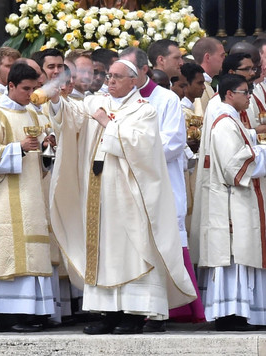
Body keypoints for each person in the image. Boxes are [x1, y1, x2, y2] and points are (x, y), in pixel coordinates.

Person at [49, 59, 196, 335]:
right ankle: (108, 312)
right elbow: (71, 119)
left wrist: (107, 123)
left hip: (130, 195)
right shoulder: (97, 102)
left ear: (134, 81)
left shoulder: (144, 111)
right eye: (109, 75)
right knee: (103, 252)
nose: (111, 81)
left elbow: (143, 148)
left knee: (132, 252)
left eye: (117, 77)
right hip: (98, 193)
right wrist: (57, 101)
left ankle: (135, 313)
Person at [120, 48, 205, 330]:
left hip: (161, 184)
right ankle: (131, 310)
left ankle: (164, 310)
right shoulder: (118, 99)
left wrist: (131, 150)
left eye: (129, 71)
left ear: (144, 70)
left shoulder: (166, 99)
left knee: (162, 245)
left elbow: (173, 143)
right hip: (127, 186)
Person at [0, 62, 54, 332]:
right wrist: (18, 148)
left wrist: (46, 147)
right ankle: (5, 315)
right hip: (5, 196)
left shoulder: (32, 115)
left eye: (34, 89)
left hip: (30, 193)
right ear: (12, 86)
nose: (30, 94)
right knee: (9, 251)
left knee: (30, 250)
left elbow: (40, 159)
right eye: (25, 89)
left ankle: (29, 312)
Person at [192, 74, 266, 331]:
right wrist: (265, 151)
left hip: (240, 200)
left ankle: (246, 312)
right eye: (244, 92)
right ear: (229, 94)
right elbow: (234, 166)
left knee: (244, 257)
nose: (249, 97)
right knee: (235, 257)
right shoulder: (224, 123)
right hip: (232, 203)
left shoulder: (233, 120)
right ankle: (232, 313)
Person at [191, 37, 225, 114]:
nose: (224, 59)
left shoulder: (207, 84)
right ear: (207, 57)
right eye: (222, 55)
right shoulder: (199, 87)